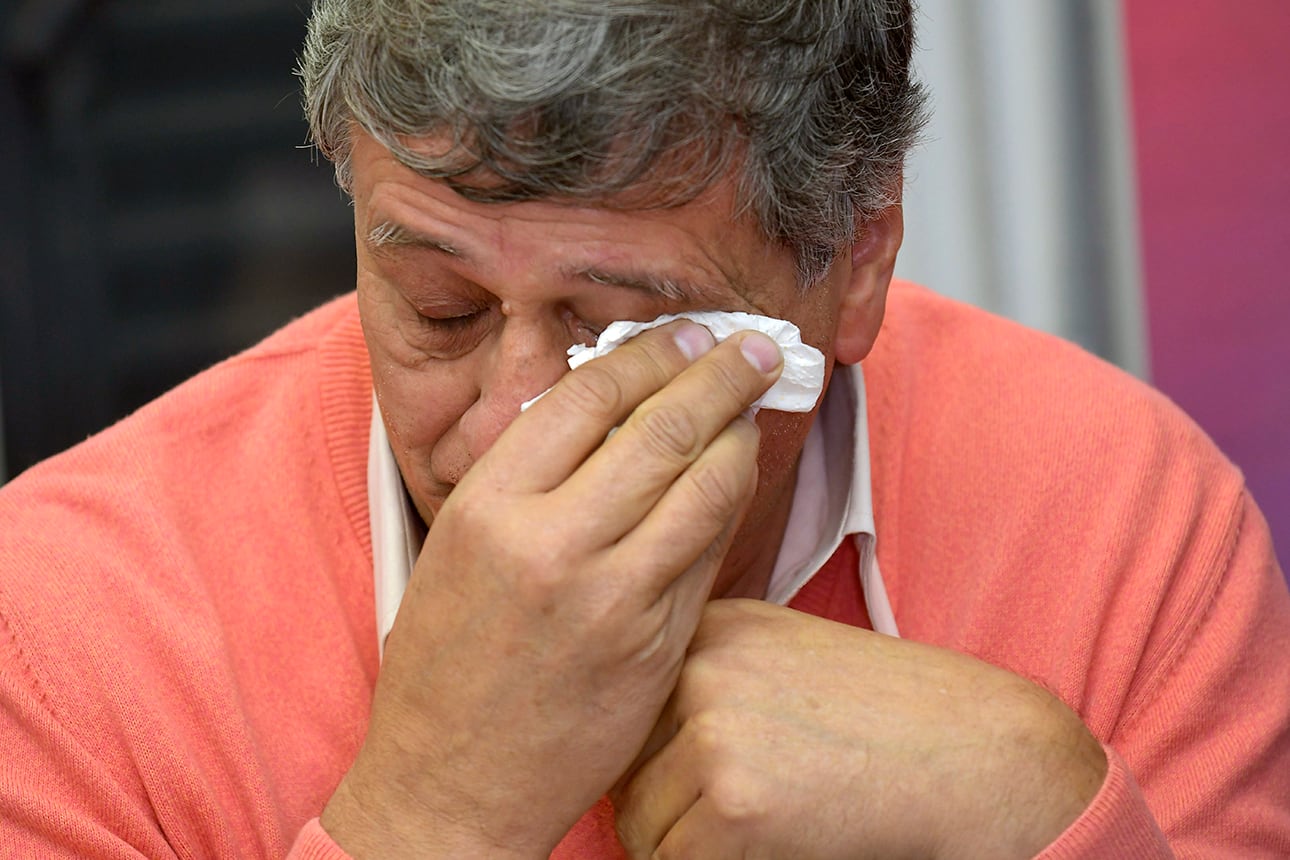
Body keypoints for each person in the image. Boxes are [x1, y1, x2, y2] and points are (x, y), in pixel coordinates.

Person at [1, 0, 1287, 857]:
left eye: (614, 329)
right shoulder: (69, 626)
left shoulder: (1125, 519)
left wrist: (1041, 798)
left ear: (854, 253)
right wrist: (437, 811)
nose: (514, 423)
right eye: (440, 307)